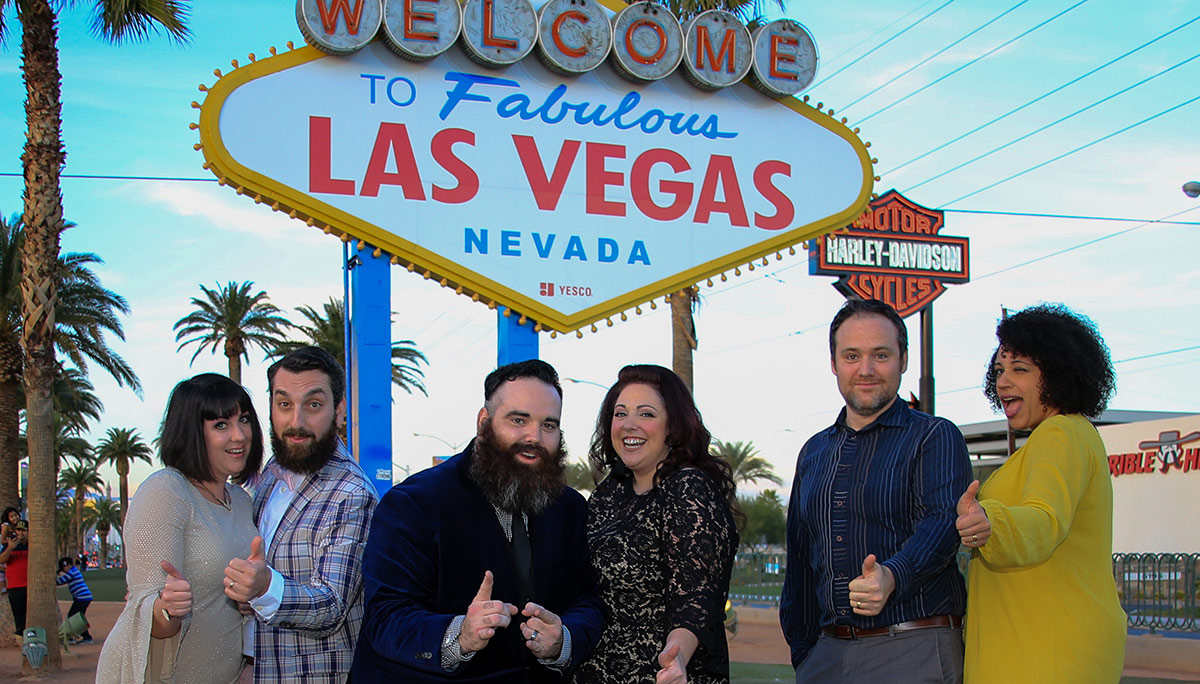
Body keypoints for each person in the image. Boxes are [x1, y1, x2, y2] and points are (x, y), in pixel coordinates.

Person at [348, 359, 604, 682]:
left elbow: (588, 601)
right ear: (484, 422)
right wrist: (461, 634)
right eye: (518, 419)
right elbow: (385, 617)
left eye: (548, 425)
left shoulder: (570, 508)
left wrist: (563, 640)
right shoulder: (414, 504)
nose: (534, 437)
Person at [780, 298, 972, 683]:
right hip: (827, 655)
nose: (865, 370)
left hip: (915, 648)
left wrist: (892, 575)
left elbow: (942, 525)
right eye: (851, 356)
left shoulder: (934, 436)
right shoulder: (814, 452)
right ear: (834, 364)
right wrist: (806, 654)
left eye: (880, 355)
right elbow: (801, 562)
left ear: (903, 359)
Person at [956, 304, 1126, 683]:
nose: (1002, 382)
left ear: (1059, 374)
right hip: (1050, 644)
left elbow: (1044, 520)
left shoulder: (1059, 434)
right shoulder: (1076, 434)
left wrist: (990, 524)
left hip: (1042, 652)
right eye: (999, 370)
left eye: (1020, 369)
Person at [573, 364, 740, 684]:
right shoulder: (607, 495)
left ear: (672, 426)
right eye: (620, 414)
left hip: (664, 676)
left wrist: (676, 655)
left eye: (646, 414)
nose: (629, 425)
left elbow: (695, 599)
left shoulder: (688, 488)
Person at [222, 346, 379, 684]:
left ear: (339, 412)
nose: (297, 422)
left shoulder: (352, 494)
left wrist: (264, 587)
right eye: (284, 405)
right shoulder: (272, 475)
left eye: (313, 405)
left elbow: (331, 606)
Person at [96, 373, 263, 683]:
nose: (239, 436)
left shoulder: (240, 500)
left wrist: (250, 597)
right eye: (221, 426)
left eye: (244, 420)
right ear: (192, 433)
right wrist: (168, 608)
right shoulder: (165, 491)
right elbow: (147, 614)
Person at [57, 556, 94, 643]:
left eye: (63, 568)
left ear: (68, 565)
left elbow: (62, 580)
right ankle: (82, 636)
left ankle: (82, 637)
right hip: (82, 598)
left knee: (74, 618)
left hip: (82, 598)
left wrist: (52, 580)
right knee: (76, 617)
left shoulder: (72, 572)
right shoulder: (73, 571)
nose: (64, 571)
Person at [0, 519, 28, 634]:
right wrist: (10, 548)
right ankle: (23, 643)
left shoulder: (34, 546)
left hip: (31, 587)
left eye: (23, 530)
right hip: (15, 587)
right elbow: (1, 560)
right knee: (19, 619)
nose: (20, 533)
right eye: (18, 530)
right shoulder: (9, 544)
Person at [0, 506, 19, 595]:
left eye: (15, 515)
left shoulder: (15, 526)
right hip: (4, 547)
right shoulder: (6, 526)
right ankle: (3, 587)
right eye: (11, 516)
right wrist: (11, 541)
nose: (14, 518)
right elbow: (2, 540)